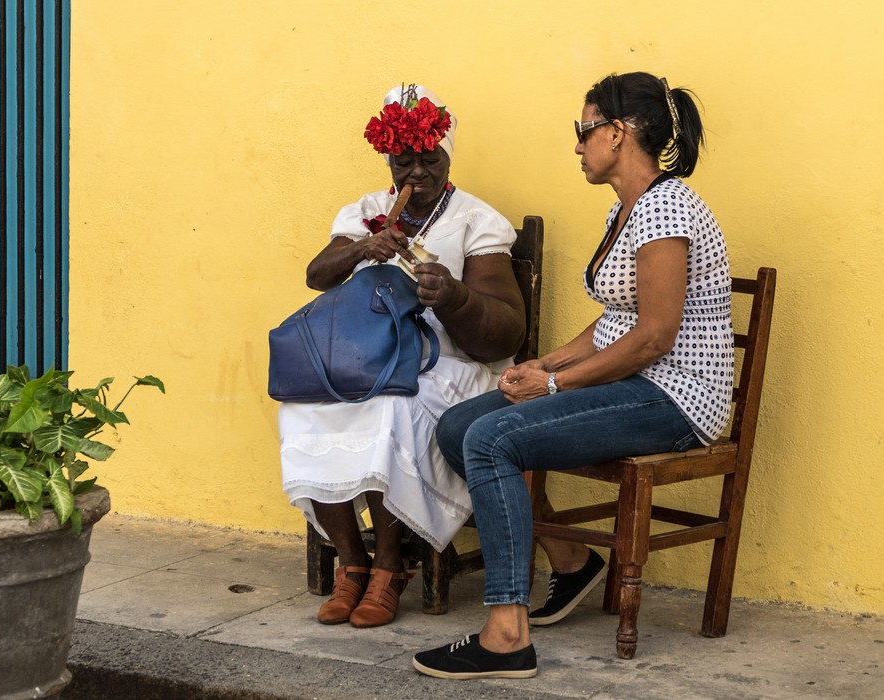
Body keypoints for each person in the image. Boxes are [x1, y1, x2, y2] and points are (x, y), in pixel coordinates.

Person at [412, 72, 734, 679]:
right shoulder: (627, 207)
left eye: (584, 130)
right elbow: (620, 317)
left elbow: (654, 336)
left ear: (620, 133)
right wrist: (547, 361)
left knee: (491, 438)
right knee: (459, 426)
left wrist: (557, 385)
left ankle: (506, 634)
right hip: (633, 384)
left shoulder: (668, 207)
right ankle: (571, 561)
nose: (578, 144)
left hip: (675, 396)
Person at [279, 85, 526, 629]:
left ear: (446, 154)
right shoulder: (367, 211)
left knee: (392, 410)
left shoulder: (475, 220)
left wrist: (457, 297)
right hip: (368, 364)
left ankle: (390, 568)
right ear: (388, 158)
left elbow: (505, 332)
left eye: (428, 159)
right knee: (303, 409)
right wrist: (363, 247)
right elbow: (315, 277)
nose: (416, 172)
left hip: (450, 367)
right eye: (403, 160)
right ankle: (353, 565)